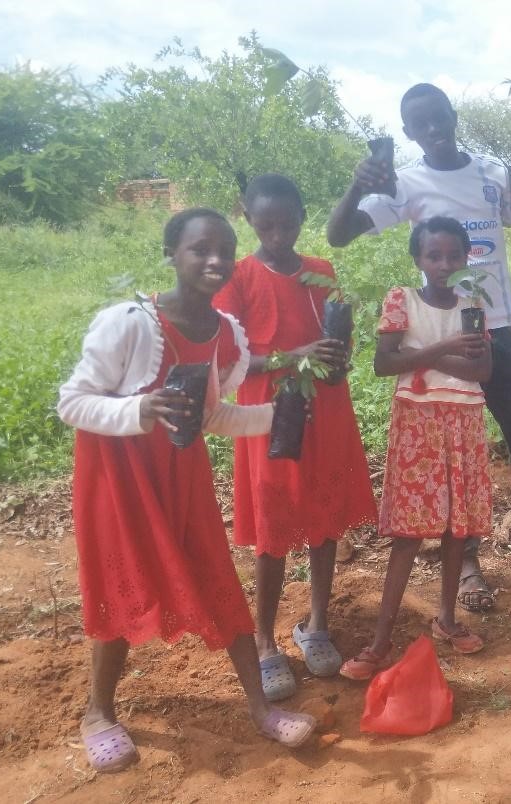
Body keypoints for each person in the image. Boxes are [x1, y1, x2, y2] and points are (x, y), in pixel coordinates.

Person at [326, 82, 511, 612]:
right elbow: (339, 235)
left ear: (453, 117)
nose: (432, 129)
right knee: (460, 454)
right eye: (420, 123)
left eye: (439, 118)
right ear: (408, 131)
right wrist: (356, 186)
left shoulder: (494, 176)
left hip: (499, 329)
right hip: (445, 334)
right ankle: (467, 561)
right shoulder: (405, 184)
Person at [57, 208, 316, 773]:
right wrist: (140, 408)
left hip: (182, 475)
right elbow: (71, 402)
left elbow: (213, 417)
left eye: (225, 249)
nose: (216, 260)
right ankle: (98, 713)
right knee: (124, 589)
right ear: (171, 254)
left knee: (217, 578)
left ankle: (259, 711)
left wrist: (279, 415)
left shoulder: (227, 335)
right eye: (200, 248)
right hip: (120, 479)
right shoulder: (128, 322)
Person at [212, 174, 377, 700]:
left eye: (288, 224)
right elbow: (230, 359)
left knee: (325, 521)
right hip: (268, 416)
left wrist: (334, 358)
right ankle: (264, 641)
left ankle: (316, 623)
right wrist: (293, 358)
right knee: (273, 525)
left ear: (304, 217)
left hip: (324, 411)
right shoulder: (238, 278)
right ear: (248, 218)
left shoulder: (322, 273)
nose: (279, 234)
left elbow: (337, 349)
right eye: (267, 225)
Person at [340, 217, 493, 680]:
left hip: (464, 419)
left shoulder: (473, 304)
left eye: (453, 255)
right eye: (434, 256)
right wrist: (448, 348)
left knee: (455, 527)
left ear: (467, 257)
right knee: (409, 533)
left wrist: (423, 354)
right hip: (419, 422)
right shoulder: (401, 299)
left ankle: (446, 620)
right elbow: (384, 363)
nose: (444, 264)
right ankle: (381, 639)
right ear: (417, 259)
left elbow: (483, 372)